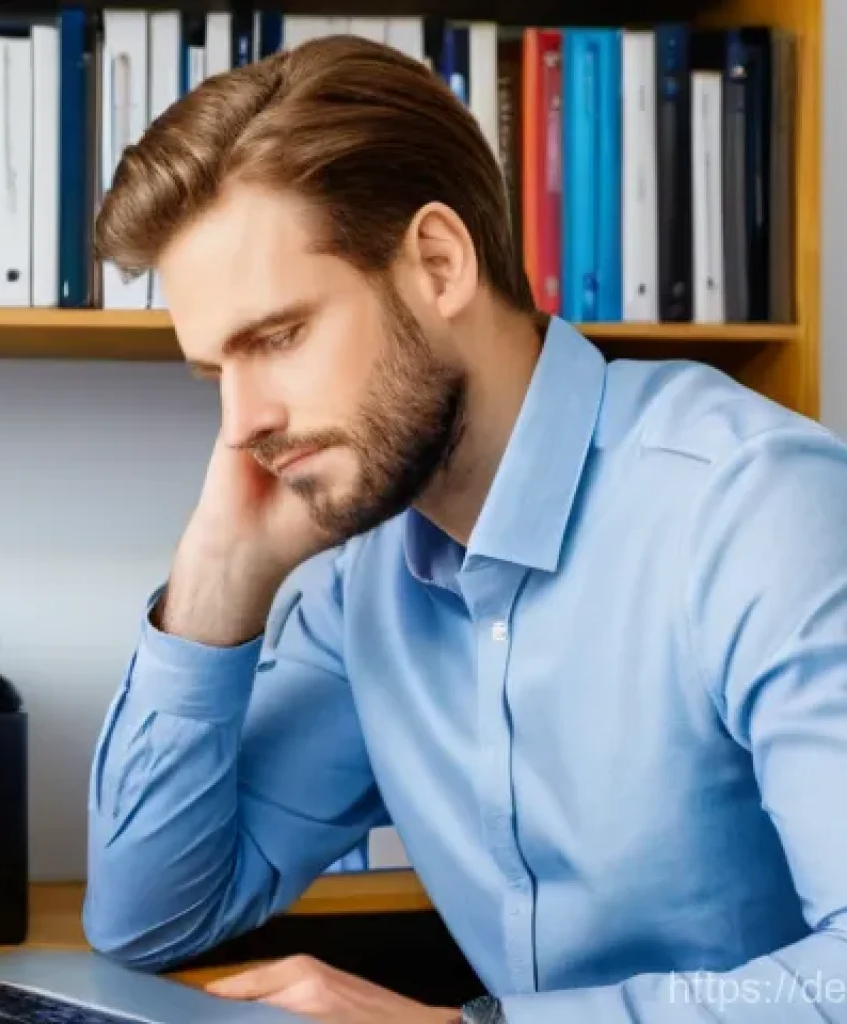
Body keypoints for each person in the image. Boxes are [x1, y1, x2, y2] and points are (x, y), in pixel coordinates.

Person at [82, 34, 847, 1024]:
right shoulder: (367, 585)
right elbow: (150, 919)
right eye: (214, 371)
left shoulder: (754, 509)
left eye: (276, 338)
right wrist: (217, 583)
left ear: (437, 263)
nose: (241, 424)